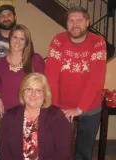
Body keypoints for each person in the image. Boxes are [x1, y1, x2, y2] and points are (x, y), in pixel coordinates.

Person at [45, 6, 106, 160]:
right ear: (66, 23)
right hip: (62, 107)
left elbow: (96, 80)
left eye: (79, 20)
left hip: (90, 107)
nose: (75, 24)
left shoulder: (98, 43)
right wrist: (56, 107)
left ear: (87, 22)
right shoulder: (58, 41)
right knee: (62, 149)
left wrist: (80, 108)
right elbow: (51, 76)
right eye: (71, 21)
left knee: (84, 152)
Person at [0, 72, 72, 160]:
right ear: (22, 91)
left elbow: (63, 152)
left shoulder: (56, 115)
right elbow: (3, 150)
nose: (33, 94)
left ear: (45, 94)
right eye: (29, 89)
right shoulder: (10, 116)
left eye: (38, 90)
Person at [0, 24, 45, 119]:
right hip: (8, 116)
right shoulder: (0, 63)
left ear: (26, 42)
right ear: (10, 38)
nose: (17, 41)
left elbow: (44, 89)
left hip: (31, 115)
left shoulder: (36, 60)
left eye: (22, 39)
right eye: (15, 37)